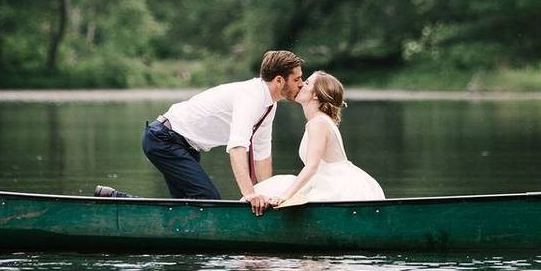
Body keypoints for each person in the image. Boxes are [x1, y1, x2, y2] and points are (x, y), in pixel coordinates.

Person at [136, 50, 304, 215]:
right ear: (279, 81)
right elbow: (237, 148)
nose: (301, 84)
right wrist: (251, 195)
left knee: (186, 207)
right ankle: (115, 198)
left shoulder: (269, 105)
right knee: (207, 199)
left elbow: (262, 153)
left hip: (185, 146)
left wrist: (267, 194)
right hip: (163, 139)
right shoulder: (250, 98)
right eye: (297, 79)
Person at [250, 71, 384, 204]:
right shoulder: (318, 121)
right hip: (325, 181)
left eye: (306, 83)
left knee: (276, 190)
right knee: (271, 187)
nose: (301, 84)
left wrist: (285, 196)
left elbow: (312, 166)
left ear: (315, 95)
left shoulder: (318, 123)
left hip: (337, 185)